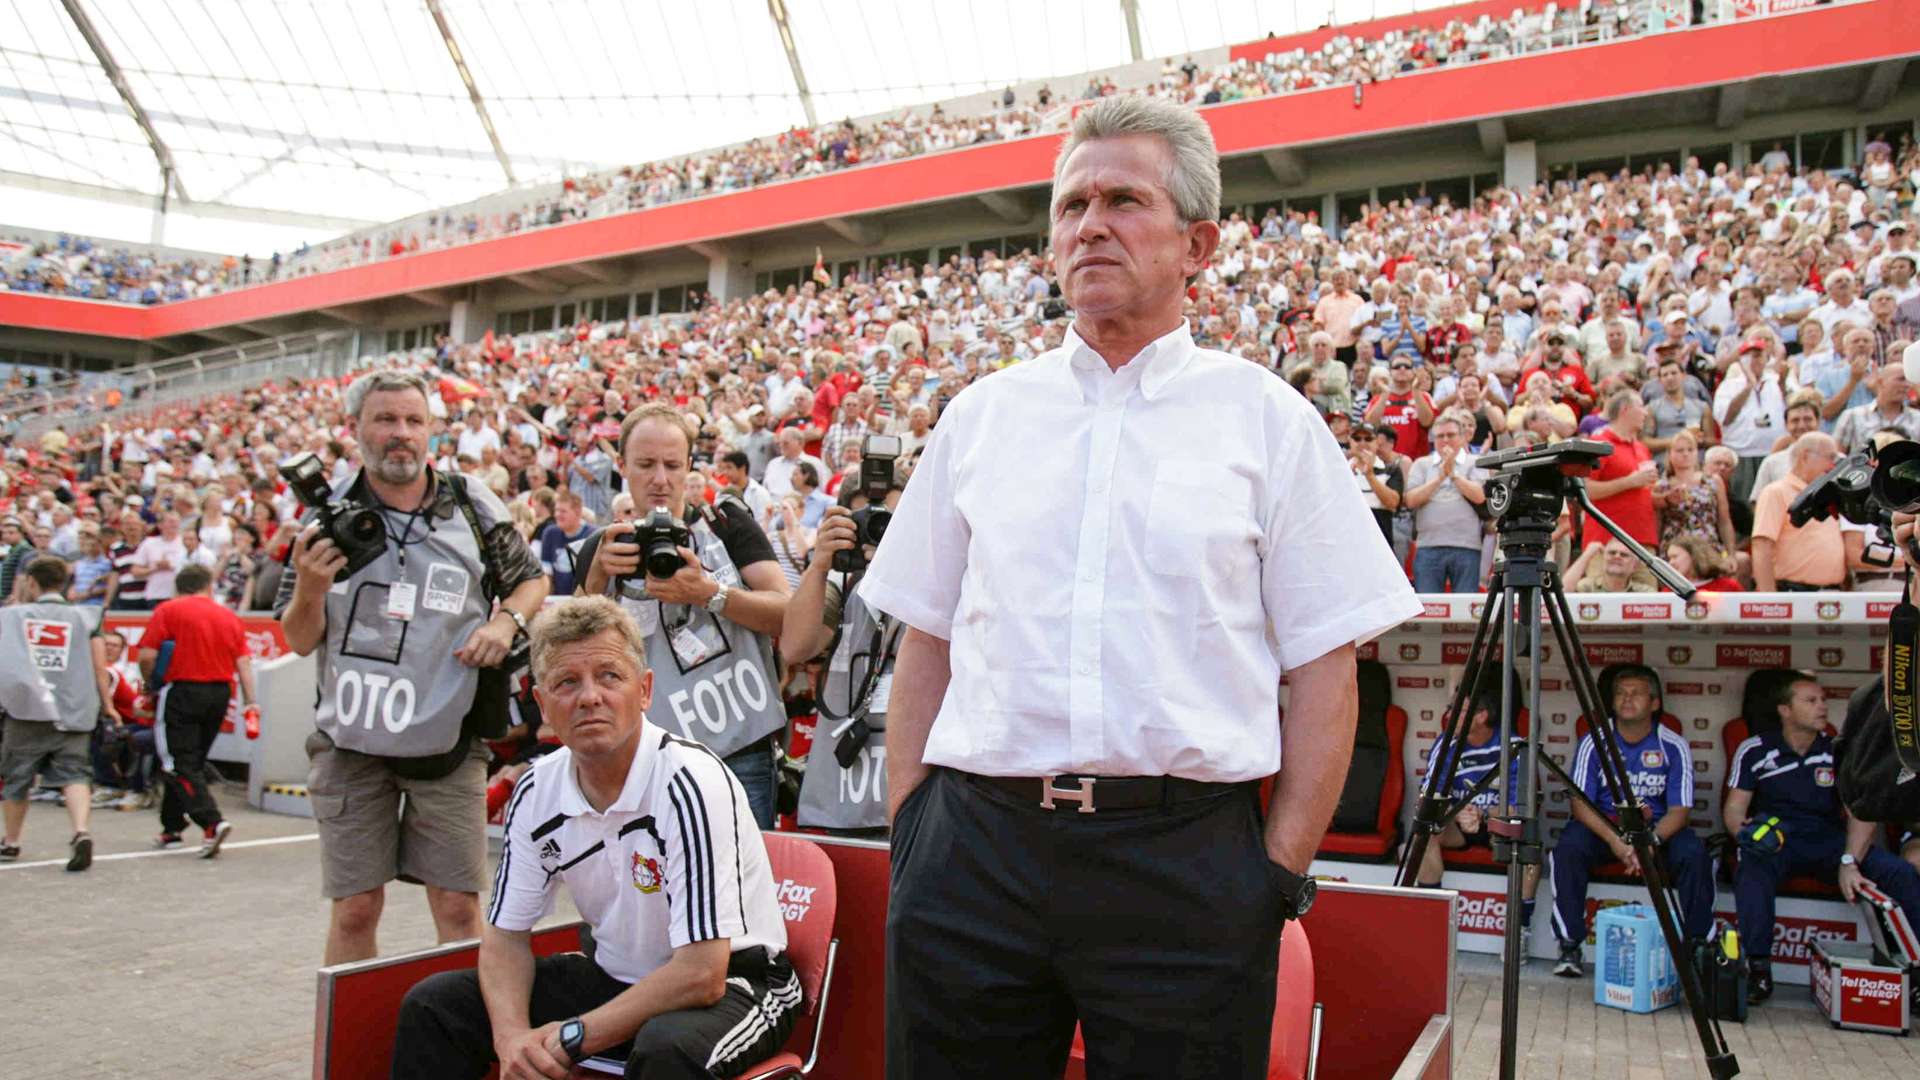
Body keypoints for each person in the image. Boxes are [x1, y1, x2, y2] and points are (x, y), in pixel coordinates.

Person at [861, 96, 1421, 1078]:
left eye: (1123, 199)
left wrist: (1275, 874)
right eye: (1072, 206)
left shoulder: (1269, 425)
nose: (1089, 225)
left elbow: (1328, 670)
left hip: (1185, 862)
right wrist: (913, 838)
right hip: (973, 853)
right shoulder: (982, 418)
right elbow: (928, 641)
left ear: (1198, 244)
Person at [390, 598, 798, 1080]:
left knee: (667, 1050)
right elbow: (504, 940)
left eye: (609, 676)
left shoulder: (690, 780)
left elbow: (701, 975)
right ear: (542, 704)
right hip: (618, 978)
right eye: (567, 683)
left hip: (738, 982)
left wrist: (572, 1037)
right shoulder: (536, 790)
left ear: (644, 690)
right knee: (436, 1006)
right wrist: (513, 1040)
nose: (589, 698)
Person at [278, 369, 551, 965]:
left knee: (458, 908)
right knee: (355, 909)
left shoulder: (472, 503)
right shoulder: (326, 520)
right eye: (385, 420)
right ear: (356, 431)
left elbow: (532, 579)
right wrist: (310, 587)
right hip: (351, 744)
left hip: (447, 743)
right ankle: (347, 1051)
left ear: (431, 430)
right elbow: (299, 638)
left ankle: (461, 1044)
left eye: (412, 421)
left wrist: (504, 624)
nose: (400, 434)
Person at [573, 402, 793, 829]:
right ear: (621, 465)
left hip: (740, 751)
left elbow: (789, 615)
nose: (660, 479)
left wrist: (711, 594)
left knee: (743, 889)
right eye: (646, 465)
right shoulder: (605, 547)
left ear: (690, 466)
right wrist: (597, 576)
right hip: (643, 760)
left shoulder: (727, 524)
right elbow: (567, 651)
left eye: (673, 465)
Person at [1727, 672, 1920, 1004]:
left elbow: (1861, 813)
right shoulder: (1756, 749)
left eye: (1824, 701)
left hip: (1828, 841)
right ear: (1785, 710)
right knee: (1753, 866)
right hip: (1779, 839)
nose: (1822, 707)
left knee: (1898, 872)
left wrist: (1849, 861)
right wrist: (1745, 836)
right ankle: (1758, 969)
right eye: (1811, 701)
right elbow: (1734, 808)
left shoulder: (1838, 750)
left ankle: (1916, 973)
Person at [1548, 666, 1713, 978]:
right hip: (1606, 831)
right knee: (1568, 847)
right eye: (1621, 694)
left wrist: (1648, 843)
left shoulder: (1673, 744)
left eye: (1636, 693)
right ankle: (1569, 946)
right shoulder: (1593, 741)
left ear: (1654, 703)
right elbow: (1579, 803)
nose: (1627, 699)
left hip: (1656, 833)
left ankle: (1696, 948)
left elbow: (1680, 811)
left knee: (1694, 854)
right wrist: (1615, 840)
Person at [779, 485, 905, 833]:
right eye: (867, 521)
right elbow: (795, 647)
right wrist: (820, 564)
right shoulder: (839, 586)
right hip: (841, 796)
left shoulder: (934, 583)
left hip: (912, 802)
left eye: (891, 520)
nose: (877, 532)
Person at [0, 557, 113, 870]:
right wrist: (109, 706)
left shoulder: (11, 617)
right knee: (74, 774)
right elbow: (99, 667)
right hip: (75, 709)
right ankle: (80, 831)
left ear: (32, 583)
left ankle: (11, 841)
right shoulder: (86, 617)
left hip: (26, 711)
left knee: (17, 779)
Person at [138, 563, 257, 857]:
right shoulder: (229, 617)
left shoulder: (169, 610)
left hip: (182, 690)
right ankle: (172, 827)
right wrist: (251, 701)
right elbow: (244, 663)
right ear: (209, 586)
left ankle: (211, 822)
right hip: (219, 693)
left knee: (178, 762)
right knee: (191, 760)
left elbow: (146, 655)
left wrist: (149, 684)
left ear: (179, 587)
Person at [1410, 683, 1538, 954]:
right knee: (1422, 836)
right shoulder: (1447, 743)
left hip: (1497, 826)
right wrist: (1455, 815)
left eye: (1457, 710)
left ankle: (1519, 931)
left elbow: (1524, 808)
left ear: (1481, 716)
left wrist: (1483, 816)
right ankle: (1432, 926)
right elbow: (1427, 801)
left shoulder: (1514, 746)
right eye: (1449, 709)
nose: (1449, 715)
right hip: (1458, 827)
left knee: (1528, 843)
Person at [1750, 433, 1847, 591]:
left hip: (1832, 593)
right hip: (1792, 593)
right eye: (1831, 457)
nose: (1834, 465)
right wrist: (1768, 599)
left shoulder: (1829, 494)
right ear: (1805, 456)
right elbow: (1762, 545)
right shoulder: (1776, 492)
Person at [1404, 413, 1488, 593]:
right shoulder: (1422, 464)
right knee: (1429, 611)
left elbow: (1480, 496)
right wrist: (1440, 477)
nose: (1445, 440)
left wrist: (1453, 475)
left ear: (1463, 437)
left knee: (1466, 611)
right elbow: (1411, 500)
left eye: (1450, 435)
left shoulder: (1476, 462)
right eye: (1440, 436)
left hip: (1467, 546)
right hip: (1428, 546)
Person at [1581, 390, 1657, 548]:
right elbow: (1585, 490)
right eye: (1641, 406)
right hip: (1605, 542)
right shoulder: (1599, 444)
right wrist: (1629, 482)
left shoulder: (1642, 448)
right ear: (1625, 409)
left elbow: (1642, 492)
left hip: (1644, 542)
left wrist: (1664, 498)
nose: (1645, 413)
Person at [1653, 430, 1737, 565]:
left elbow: (1724, 521)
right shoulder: (1662, 486)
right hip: (1674, 549)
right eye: (1680, 450)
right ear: (1670, 454)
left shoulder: (1713, 481)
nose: (1685, 454)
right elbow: (1657, 524)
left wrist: (1731, 554)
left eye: (1690, 450)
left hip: (1708, 546)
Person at [1832, 365, 1920, 456]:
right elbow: (1837, 457)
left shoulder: (1917, 419)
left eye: (1908, 381)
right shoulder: (1852, 416)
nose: (1907, 385)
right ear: (1881, 382)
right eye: (1901, 379)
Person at [537, 491, 593, 595]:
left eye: (563, 511)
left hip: (583, 598)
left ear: (578, 512)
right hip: (557, 597)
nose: (558, 515)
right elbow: (547, 572)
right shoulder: (550, 533)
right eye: (556, 510)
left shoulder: (592, 535)